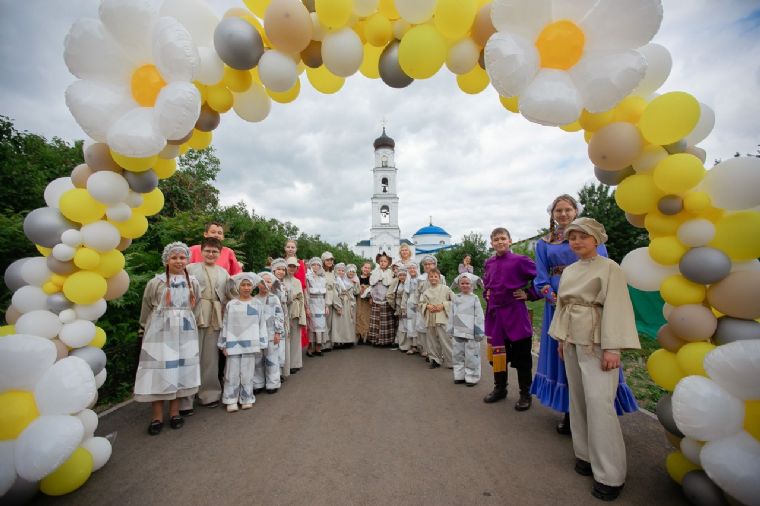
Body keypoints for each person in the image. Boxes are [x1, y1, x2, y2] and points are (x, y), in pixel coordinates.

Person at [550, 218, 641, 501]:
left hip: (598, 340)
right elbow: (564, 306)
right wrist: (562, 338)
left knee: (600, 403)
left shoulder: (610, 268)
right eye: (572, 237)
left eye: (582, 236)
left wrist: (613, 348)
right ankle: (586, 455)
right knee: (577, 399)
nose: (576, 241)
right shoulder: (570, 270)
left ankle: (610, 474)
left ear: (596, 239)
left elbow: (618, 307)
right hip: (573, 339)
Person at [531, 195, 638, 434]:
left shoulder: (592, 237)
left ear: (575, 211)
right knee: (565, 358)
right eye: (558, 210)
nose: (563, 214)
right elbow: (540, 279)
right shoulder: (543, 243)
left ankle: (601, 415)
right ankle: (571, 413)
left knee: (594, 358)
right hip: (558, 307)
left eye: (568, 209)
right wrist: (559, 302)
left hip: (591, 307)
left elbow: (605, 273)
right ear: (552, 214)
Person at [135, 242, 201, 435]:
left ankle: (174, 412)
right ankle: (157, 416)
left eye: (182, 257)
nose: (179, 261)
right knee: (159, 371)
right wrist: (144, 329)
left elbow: (195, 306)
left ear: (187, 260)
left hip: (185, 332)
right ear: (166, 259)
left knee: (179, 369)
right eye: (174, 257)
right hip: (160, 332)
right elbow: (147, 307)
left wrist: (185, 320)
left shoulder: (193, 283)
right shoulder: (156, 282)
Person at [482, 227, 538, 411]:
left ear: (510, 241)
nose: (499, 242)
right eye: (496, 239)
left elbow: (540, 278)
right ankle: (500, 388)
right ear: (491, 243)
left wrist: (529, 294)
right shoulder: (488, 263)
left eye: (503, 238)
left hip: (515, 315)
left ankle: (525, 394)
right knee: (498, 356)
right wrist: (486, 294)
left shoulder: (521, 260)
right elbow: (487, 284)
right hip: (495, 317)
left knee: (522, 357)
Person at [183, 237, 234, 413]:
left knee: (210, 358)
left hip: (215, 316)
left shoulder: (223, 273)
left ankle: (209, 394)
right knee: (190, 356)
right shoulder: (189, 269)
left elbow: (230, 295)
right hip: (194, 315)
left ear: (219, 254)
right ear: (201, 251)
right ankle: (185, 399)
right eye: (208, 251)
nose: (211, 254)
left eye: (215, 251)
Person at [218, 273, 267, 413]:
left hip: (251, 344)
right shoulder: (231, 304)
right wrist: (223, 344)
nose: (246, 288)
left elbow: (261, 324)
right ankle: (230, 399)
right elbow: (225, 325)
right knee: (231, 373)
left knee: (247, 373)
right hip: (233, 343)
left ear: (253, 287)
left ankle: (246, 398)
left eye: (249, 285)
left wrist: (261, 343)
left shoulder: (257, 304)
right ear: (238, 287)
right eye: (243, 285)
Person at [448, 273, 485, 386]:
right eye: (462, 283)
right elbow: (451, 313)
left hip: (471, 332)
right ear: (459, 285)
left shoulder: (474, 298)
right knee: (458, 354)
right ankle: (459, 375)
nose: (465, 285)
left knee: (472, 355)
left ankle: (472, 377)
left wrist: (479, 331)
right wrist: (450, 329)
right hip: (458, 331)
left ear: (472, 285)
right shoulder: (456, 298)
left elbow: (479, 316)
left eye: (467, 283)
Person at [254, 272, 285, 394]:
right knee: (257, 359)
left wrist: (278, 332)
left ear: (272, 284)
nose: (265, 284)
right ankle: (258, 383)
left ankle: (273, 383)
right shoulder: (254, 300)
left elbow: (279, 315)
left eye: (268, 281)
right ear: (257, 284)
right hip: (257, 334)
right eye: (262, 282)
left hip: (271, 332)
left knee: (272, 357)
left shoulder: (274, 298)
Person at [419, 267, 453, 369]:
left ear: (439, 277)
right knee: (432, 340)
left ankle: (451, 361)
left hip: (442, 318)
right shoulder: (426, 291)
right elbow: (421, 303)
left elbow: (454, 300)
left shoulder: (446, 289)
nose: (433, 278)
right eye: (431, 276)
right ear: (428, 278)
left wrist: (444, 305)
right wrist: (427, 306)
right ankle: (435, 360)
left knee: (446, 340)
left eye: (435, 276)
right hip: (430, 318)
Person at [284, 239, 309, 355]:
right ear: (285, 248)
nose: (290, 249)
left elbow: (303, 286)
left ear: (296, 249)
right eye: (288, 247)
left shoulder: (300, 263)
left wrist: (305, 305)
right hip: (284, 299)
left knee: (295, 330)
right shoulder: (281, 262)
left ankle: (294, 358)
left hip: (297, 299)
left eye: (292, 247)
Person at [284, 257, 307, 374]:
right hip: (284, 312)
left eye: (294, 266)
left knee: (295, 338)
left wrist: (302, 316)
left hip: (296, 312)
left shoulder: (297, 281)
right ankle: (285, 364)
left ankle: (295, 363)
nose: (292, 268)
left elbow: (301, 299)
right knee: (286, 339)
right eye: (290, 266)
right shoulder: (281, 280)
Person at [368, 252, 395, 347]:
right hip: (376, 298)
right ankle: (376, 339)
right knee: (377, 320)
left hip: (386, 299)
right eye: (381, 261)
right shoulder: (375, 272)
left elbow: (391, 284)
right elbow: (372, 284)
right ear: (378, 262)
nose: (383, 263)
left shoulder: (390, 272)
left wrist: (384, 278)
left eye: (385, 261)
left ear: (388, 262)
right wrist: (371, 297)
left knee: (386, 320)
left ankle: (386, 340)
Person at [306, 257, 329, 356]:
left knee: (320, 326)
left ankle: (318, 348)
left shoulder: (323, 278)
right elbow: (306, 293)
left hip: (321, 303)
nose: (316, 266)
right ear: (310, 266)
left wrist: (326, 306)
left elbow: (326, 293)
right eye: (314, 264)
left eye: (318, 265)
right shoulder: (308, 277)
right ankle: (310, 348)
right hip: (312, 303)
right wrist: (307, 307)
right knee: (312, 326)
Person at [332, 262, 357, 347]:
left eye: (343, 271)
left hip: (348, 303)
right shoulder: (335, 281)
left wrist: (355, 284)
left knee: (347, 322)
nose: (341, 272)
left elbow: (354, 292)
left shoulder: (347, 281)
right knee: (339, 323)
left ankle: (347, 340)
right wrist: (337, 306)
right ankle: (338, 341)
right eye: (339, 270)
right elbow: (334, 294)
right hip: (340, 303)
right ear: (336, 270)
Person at [387, 265, 408, 352]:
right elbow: (390, 295)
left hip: (408, 307)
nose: (402, 277)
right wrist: (394, 305)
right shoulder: (397, 283)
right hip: (399, 307)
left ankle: (409, 345)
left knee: (408, 326)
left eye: (404, 275)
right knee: (402, 326)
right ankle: (402, 344)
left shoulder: (409, 284)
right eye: (400, 275)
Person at [402, 262, 421, 355]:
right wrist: (403, 307)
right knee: (411, 324)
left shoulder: (421, 280)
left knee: (420, 323)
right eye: (410, 268)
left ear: (417, 269)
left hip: (419, 302)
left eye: (413, 268)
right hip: (410, 303)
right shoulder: (407, 281)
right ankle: (413, 345)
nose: (412, 270)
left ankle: (422, 346)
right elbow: (405, 295)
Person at [321, 251, 337, 352]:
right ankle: (322, 344)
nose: (330, 261)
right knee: (323, 322)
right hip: (323, 298)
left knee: (330, 322)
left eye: (331, 260)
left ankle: (329, 343)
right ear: (323, 261)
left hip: (332, 298)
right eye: (327, 260)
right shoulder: (321, 272)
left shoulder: (333, 272)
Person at [355, 261, 372, 343]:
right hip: (359, 300)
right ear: (362, 268)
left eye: (368, 268)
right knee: (359, 316)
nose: (366, 269)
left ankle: (367, 336)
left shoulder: (371, 278)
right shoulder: (357, 278)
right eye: (365, 267)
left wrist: (366, 287)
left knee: (367, 317)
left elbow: (373, 288)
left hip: (367, 300)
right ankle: (360, 336)